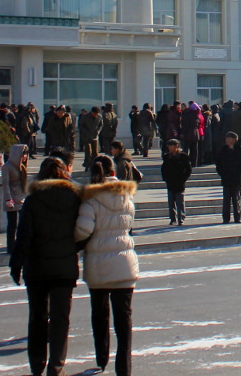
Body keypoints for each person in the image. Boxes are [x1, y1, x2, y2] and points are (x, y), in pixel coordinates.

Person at [10, 157, 82, 376]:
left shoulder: (33, 200)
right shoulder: (75, 198)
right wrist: (73, 247)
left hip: (37, 267)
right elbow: (85, 229)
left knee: (38, 317)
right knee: (61, 319)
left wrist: (16, 264)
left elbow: (23, 236)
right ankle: (56, 366)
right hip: (65, 266)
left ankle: (37, 363)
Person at [76, 156, 138, 376]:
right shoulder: (126, 196)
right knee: (124, 319)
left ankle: (102, 358)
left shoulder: (91, 199)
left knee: (100, 314)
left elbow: (83, 230)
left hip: (98, 262)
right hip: (124, 261)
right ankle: (125, 367)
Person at [214, 132, 241, 224]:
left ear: (234, 139)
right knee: (226, 200)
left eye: (229, 139)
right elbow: (218, 164)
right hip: (226, 178)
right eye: (226, 139)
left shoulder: (240, 149)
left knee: (236, 199)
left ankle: (237, 217)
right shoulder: (223, 150)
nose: (227, 140)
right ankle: (226, 218)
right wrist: (222, 173)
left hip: (237, 179)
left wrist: (240, 172)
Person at [2, 144, 29, 253]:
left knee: (23, 223)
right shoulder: (7, 167)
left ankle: (21, 243)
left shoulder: (22, 166)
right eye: (23, 155)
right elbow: (5, 183)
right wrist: (8, 199)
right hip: (12, 199)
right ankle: (11, 246)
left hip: (21, 198)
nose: (25, 157)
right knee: (12, 224)